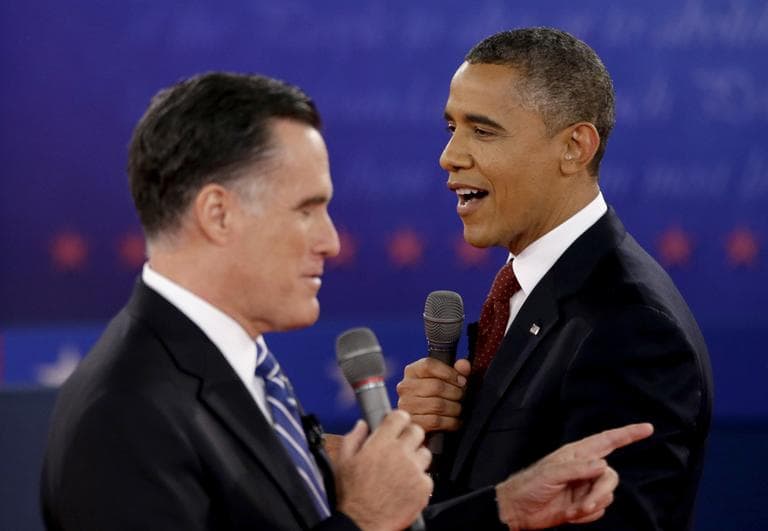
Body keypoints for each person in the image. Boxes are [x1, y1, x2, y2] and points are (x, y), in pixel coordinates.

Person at [40, 71, 652, 531]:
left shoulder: (234, 369)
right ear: (218, 213)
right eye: (307, 210)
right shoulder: (126, 416)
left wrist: (505, 506)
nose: (331, 241)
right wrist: (362, 520)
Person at [397, 28, 713, 530]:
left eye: (482, 131)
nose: (450, 155)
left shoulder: (632, 325)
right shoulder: (531, 289)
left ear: (574, 147)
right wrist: (436, 437)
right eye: (451, 127)